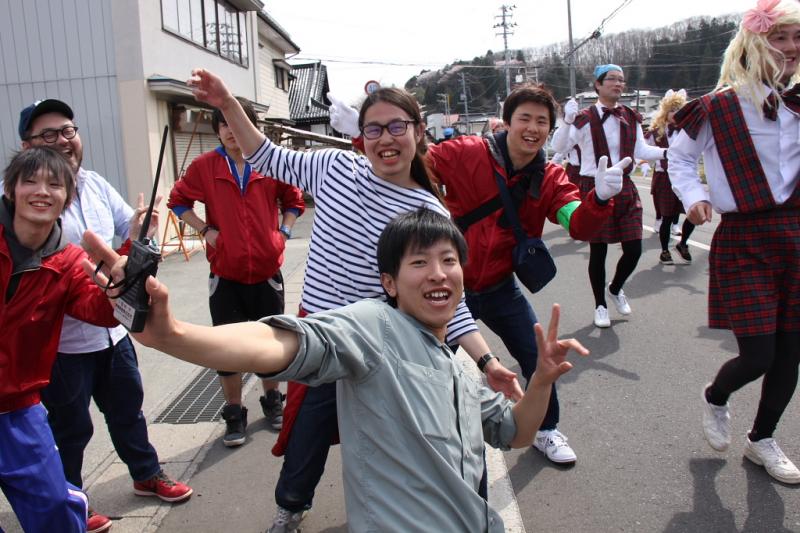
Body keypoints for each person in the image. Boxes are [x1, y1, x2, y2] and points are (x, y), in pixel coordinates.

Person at [82, 207, 589, 533]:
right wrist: (175, 335)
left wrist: (540, 380)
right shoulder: (374, 327)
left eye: (449, 260)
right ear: (389, 283)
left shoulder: (457, 368)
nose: (438, 273)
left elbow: (517, 433)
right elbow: (276, 341)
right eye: (419, 263)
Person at [188, 69, 523, 532]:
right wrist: (227, 102)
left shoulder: (430, 212)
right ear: (360, 136)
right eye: (373, 128)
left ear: (418, 132)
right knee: (307, 434)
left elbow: (446, 297)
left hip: (386, 345)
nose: (385, 139)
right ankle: (290, 508)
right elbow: (265, 155)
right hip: (323, 334)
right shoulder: (334, 168)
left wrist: (487, 363)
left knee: (408, 445)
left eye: (396, 127)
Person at [329, 84, 627, 465]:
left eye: (542, 122)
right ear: (506, 122)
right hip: (450, 290)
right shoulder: (468, 151)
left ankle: (547, 429)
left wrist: (599, 200)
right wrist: (365, 134)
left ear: (550, 130)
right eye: (524, 118)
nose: (532, 128)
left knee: (537, 356)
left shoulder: (550, 178)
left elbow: (579, 225)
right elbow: (411, 163)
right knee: (424, 365)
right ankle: (415, 440)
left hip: (503, 286)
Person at [18, 99, 193, 533]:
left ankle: (146, 473)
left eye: (68, 131)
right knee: (69, 428)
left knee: (127, 410)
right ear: (26, 148)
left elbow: (126, 233)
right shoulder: (26, 198)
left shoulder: (94, 183)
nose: (62, 141)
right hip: (59, 344)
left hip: (110, 331)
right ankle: (70, 500)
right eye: (47, 135)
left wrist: (140, 230)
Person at [668, 0, 800, 484]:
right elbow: (678, 159)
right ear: (754, 43)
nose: (789, 48)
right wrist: (695, 197)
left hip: (796, 233)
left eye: (796, 39)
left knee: (792, 353)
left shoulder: (799, 101)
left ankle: (761, 440)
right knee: (759, 354)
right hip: (745, 237)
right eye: (779, 37)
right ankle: (715, 396)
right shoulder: (718, 106)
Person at [168, 99, 305, 446]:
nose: (231, 130)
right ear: (218, 129)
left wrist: (283, 233)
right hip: (226, 273)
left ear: (250, 125)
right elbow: (178, 201)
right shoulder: (205, 166)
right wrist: (204, 230)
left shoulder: (269, 163)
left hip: (266, 271)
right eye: (224, 123)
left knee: (271, 343)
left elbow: (294, 200)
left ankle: (273, 401)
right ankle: (233, 412)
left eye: (236, 121)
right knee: (227, 347)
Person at [0, 147, 117, 533]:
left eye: (55, 184)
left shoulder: (68, 261)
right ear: (10, 190)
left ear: (67, 197)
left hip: (18, 408)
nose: (42, 191)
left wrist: (123, 288)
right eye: (30, 180)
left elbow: (98, 311)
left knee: (53, 508)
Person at [552, 65, 666, 328]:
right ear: (598, 85)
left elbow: (641, 149)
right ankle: (600, 304)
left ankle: (615, 288)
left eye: (621, 80)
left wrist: (667, 153)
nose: (618, 84)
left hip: (624, 185)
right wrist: (566, 121)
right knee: (598, 250)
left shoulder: (631, 116)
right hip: (594, 187)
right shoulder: (583, 118)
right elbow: (559, 147)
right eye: (612, 79)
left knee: (634, 248)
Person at [644, 90, 696, 265]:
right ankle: (665, 250)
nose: (676, 113)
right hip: (664, 177)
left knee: (692, 212)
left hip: (686, 177)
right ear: (666, 112)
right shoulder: (655, 132)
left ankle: (683, 244)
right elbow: (643, 151)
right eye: (673, 109)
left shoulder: (689, 130)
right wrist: (644, 164)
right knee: (667, 216)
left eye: (679, 109)